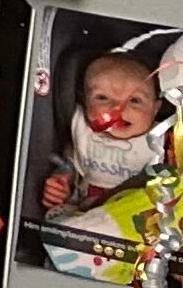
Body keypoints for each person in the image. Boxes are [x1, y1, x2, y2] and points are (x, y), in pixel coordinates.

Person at [40, 47, 172, 216]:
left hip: (136, 218)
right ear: (85, 101)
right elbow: (71, 158)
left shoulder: (161, 140)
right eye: (102, 98)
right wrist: (62, 180)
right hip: (83, 213)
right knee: (55, 218)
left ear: (155, 109)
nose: (118, 108)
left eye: (135, 100)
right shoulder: (83, 130)